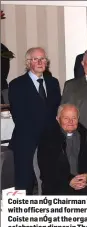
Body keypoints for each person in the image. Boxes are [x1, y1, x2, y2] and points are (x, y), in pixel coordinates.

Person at [9, 47, 61, 194]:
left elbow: (56, 111)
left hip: (50, 141)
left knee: (50, 180)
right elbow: (19, 116)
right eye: (35, 59)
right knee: (24, 182)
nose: (40, 62)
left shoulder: (53, 83)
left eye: (43, 59)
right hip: (26, 141)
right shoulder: (17, 85)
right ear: (28, 63)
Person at [37, 104, 87, 195]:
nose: (70, 122)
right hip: (58, 183)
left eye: (74, 118)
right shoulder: (48, 138)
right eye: (66, 118)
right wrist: (69, 180)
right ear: (58, 119)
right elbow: (46, 168)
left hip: (85, 182)